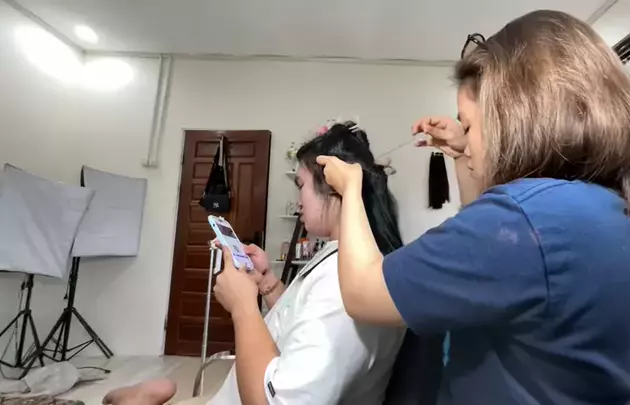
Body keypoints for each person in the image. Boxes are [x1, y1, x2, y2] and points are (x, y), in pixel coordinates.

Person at [316, 10, 630, 405]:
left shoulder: (529, 220)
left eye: (470, 126)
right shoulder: (601, 209)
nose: (468, 140)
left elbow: (363, 292)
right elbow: (491, 251)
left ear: (512, 117)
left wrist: (351, 189)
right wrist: (463, 153)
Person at [103, 121, 405, 405]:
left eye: (301, 184)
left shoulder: (341, 282)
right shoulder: (347, 261)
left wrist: (242, 306)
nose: (299, 201)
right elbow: (300, 320)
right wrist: (266, 282)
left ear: (332, 188)